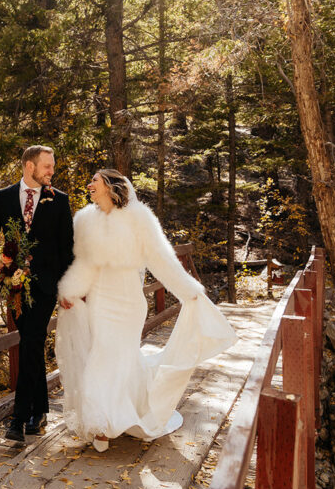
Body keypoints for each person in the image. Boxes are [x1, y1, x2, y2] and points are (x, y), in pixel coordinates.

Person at [56, 169, 237, 452]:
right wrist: (71, 290)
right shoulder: (85, 220)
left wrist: (187, 290)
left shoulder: (139, 218)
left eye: (95, 180)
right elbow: (85, 263)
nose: (89, 184)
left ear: (110, 186)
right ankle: (102, 424)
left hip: (128, 302)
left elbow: (160, 258)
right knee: (103, 353)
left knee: (120, 357)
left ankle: (111, 421)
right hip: (101, 300)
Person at [0, 145, 74, 442]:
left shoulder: (59, 201)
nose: (52, 171)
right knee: (32, 344)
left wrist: (65, 288)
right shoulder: (4, 198)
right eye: (47, 166)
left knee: (31, 341)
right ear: (29, 167)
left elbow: (66, 250)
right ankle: (40, 410)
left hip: (45, 288)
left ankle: (18, 419)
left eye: (52, 166)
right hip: (14, 287)